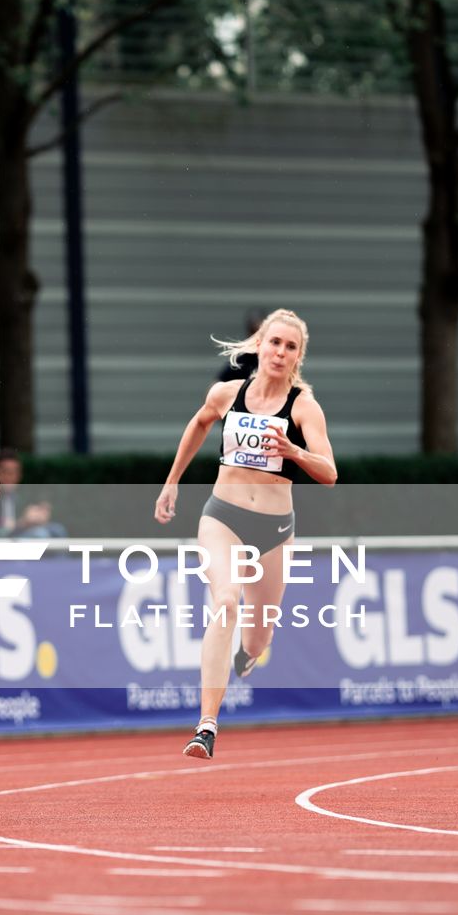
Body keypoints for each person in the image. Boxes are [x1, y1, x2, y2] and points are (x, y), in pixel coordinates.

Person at [154, 308, 337, 761]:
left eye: (290, 347)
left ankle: (246, 657)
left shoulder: (303, 406)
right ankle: (207, 725)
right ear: (259, 346)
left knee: (258, 639)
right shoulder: (226, 393)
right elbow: (198, 425)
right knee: (226, 601)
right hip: (223, 518)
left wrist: (294, 450)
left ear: (298, 357)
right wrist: (172, 481)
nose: (280, 352)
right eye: (274, 342)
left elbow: (329, 472)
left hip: (274, 530)